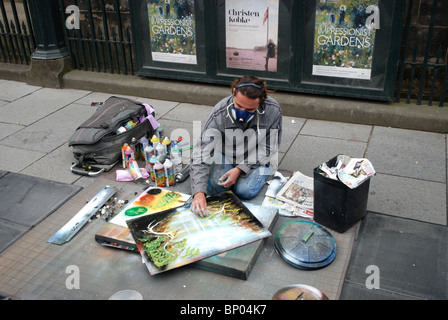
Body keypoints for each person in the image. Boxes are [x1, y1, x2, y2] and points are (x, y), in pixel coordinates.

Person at [190, 75, 282, 217]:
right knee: (214, 188)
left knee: (245, 191)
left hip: (256, 155)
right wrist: (198, 193)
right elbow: (202, 151)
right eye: (238, 106)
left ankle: (260, 170)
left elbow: (269, 147)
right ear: (233, 92)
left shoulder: (272, 110)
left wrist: (240, 169)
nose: (242, 114)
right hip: (228, 153)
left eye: (250, 110)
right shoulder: (220, 112)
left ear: (261, 101)